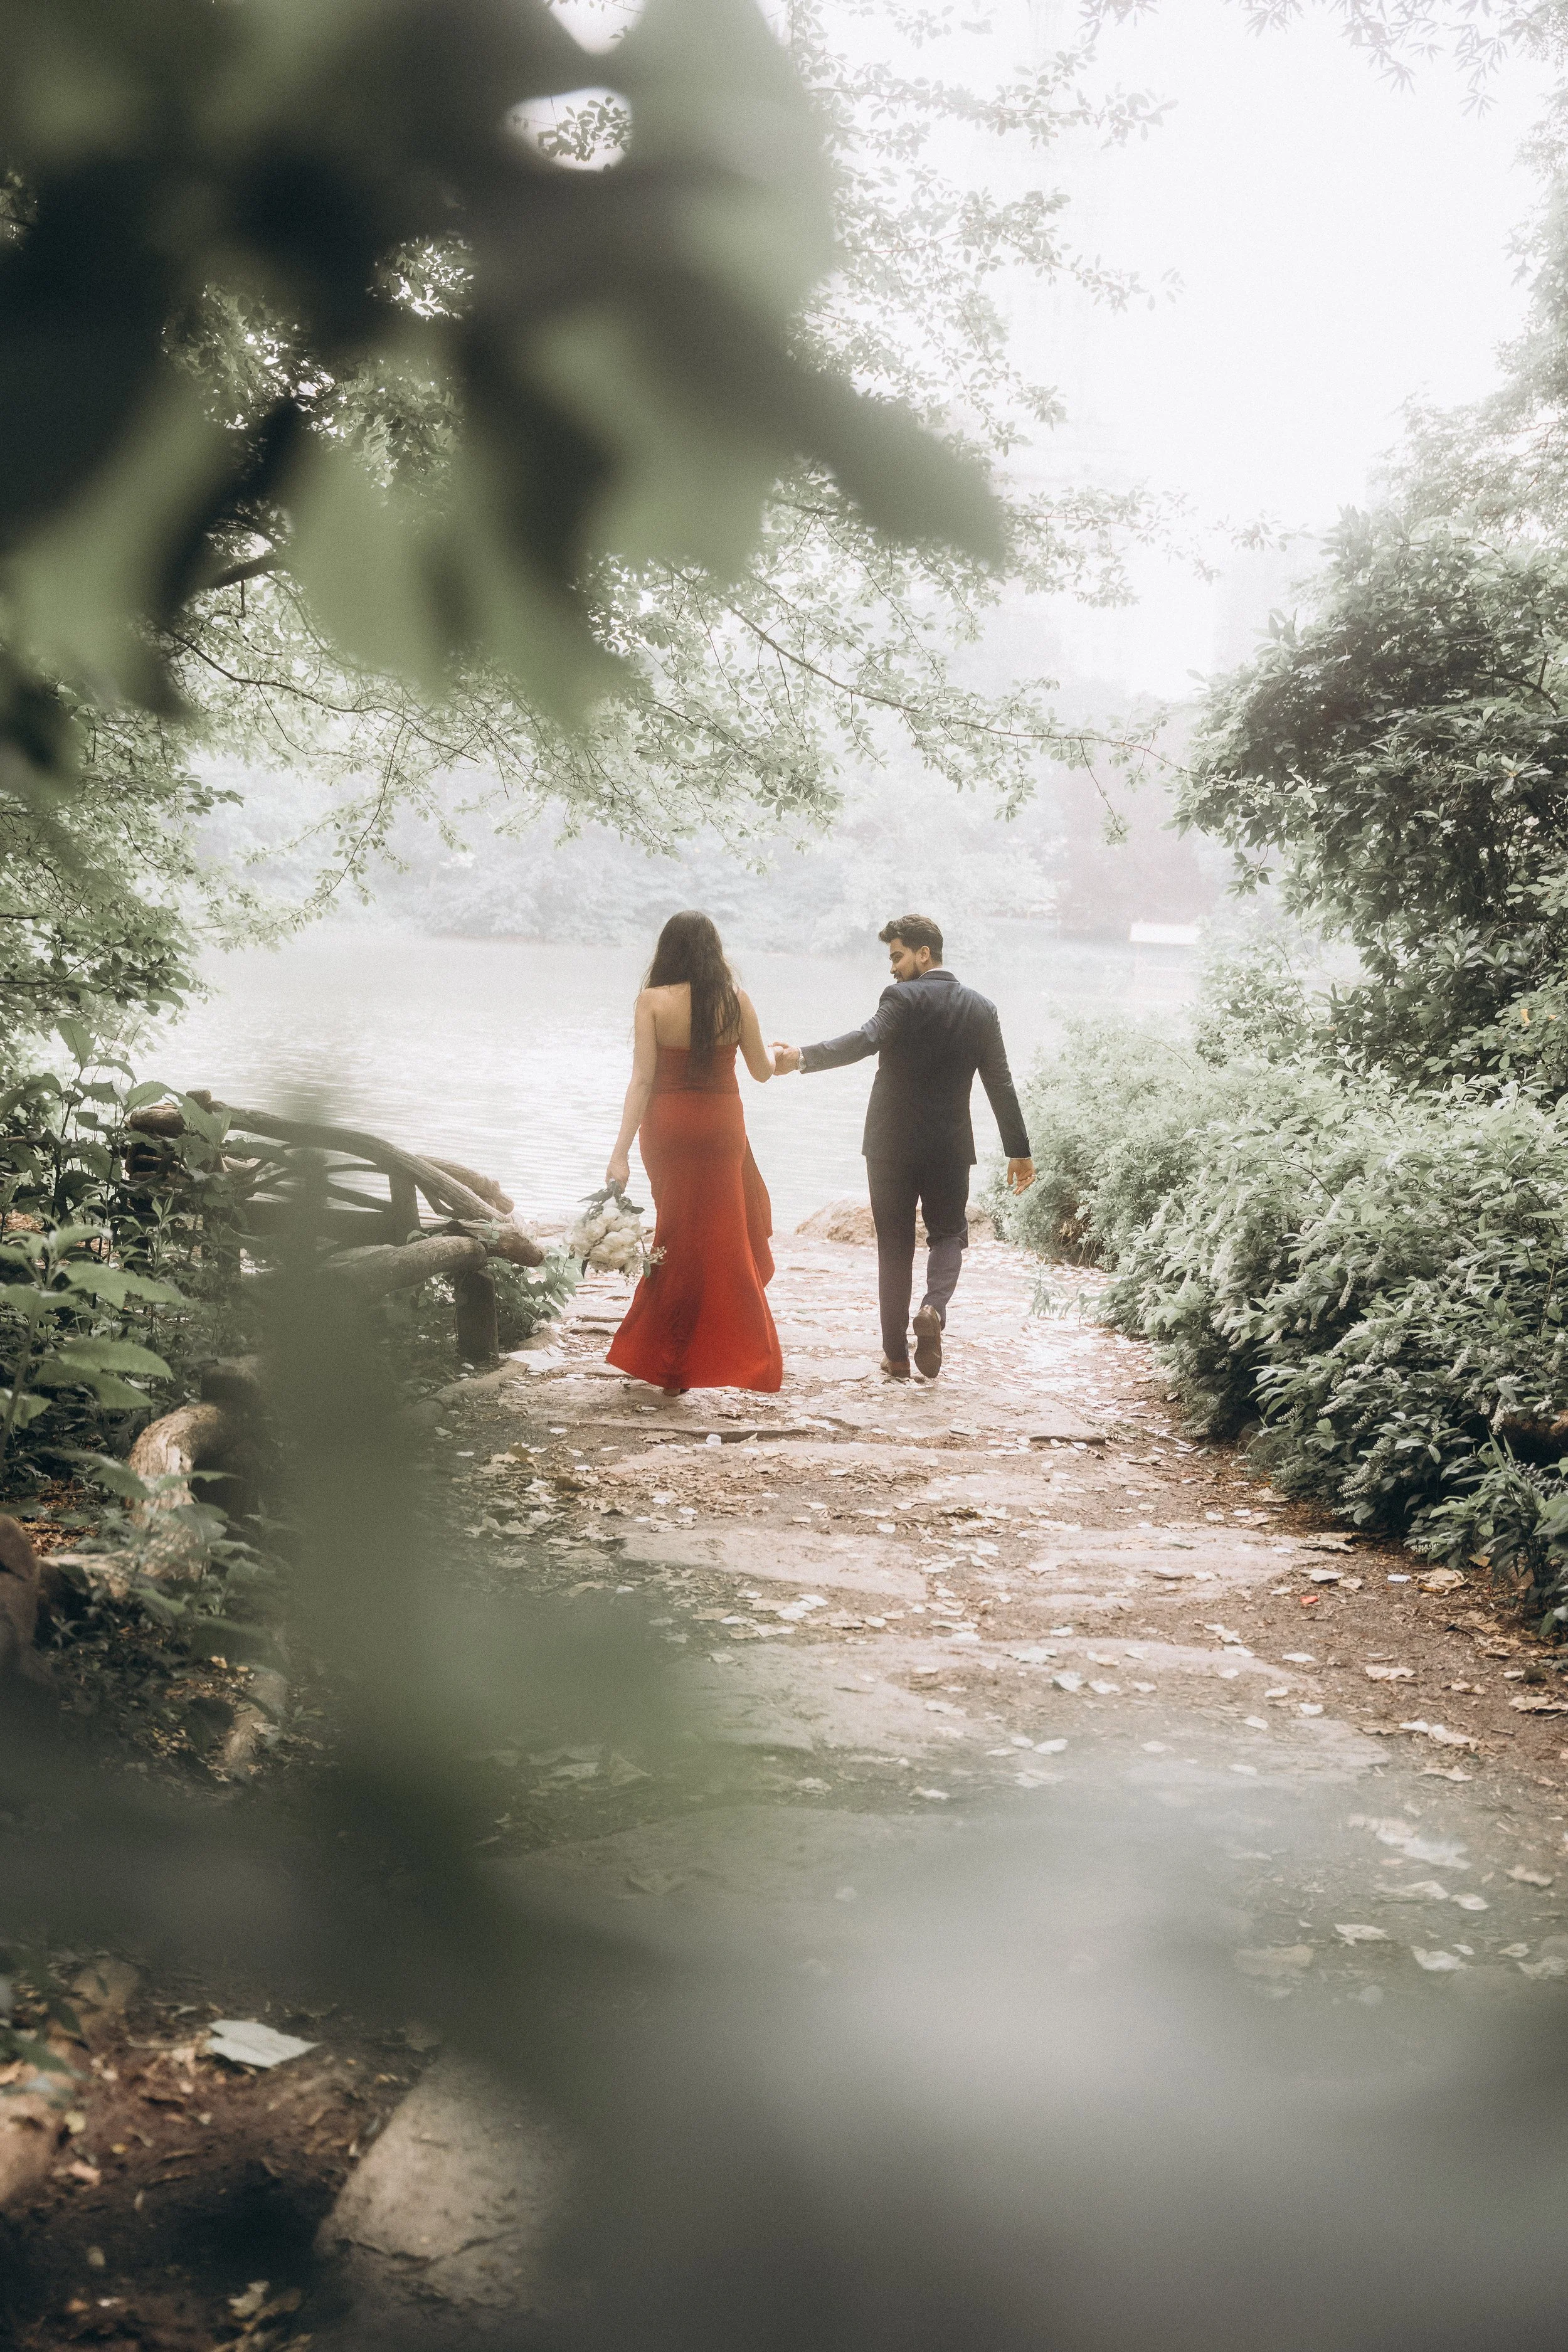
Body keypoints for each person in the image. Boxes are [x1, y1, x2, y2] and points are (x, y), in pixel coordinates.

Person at [772, 914, 1034, 1380]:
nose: (892, 969)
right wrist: (1019, 1150)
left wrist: (802, 1057)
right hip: (951, 1146)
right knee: (948, 1234)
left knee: (894, 1247)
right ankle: (933, 1309)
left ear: (923, 954)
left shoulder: (901, 998)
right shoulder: (982, 1009)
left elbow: (865, 1040)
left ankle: (895, 1357)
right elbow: (1000, 1083)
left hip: (890, 1145)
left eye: (897, 956)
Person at [603, 911, 783, 1395]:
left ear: (668, 951)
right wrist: (784, 1060)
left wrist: (619, 1154)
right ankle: (739, 1356)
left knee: (675, 1235)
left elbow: (642, 1080)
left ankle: (668, 1359)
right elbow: (763, 1070)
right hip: (722, 1129)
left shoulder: (652, 1002)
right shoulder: (735, 1001)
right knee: (722, 1239)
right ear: (714, 953)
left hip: (669, 1129)